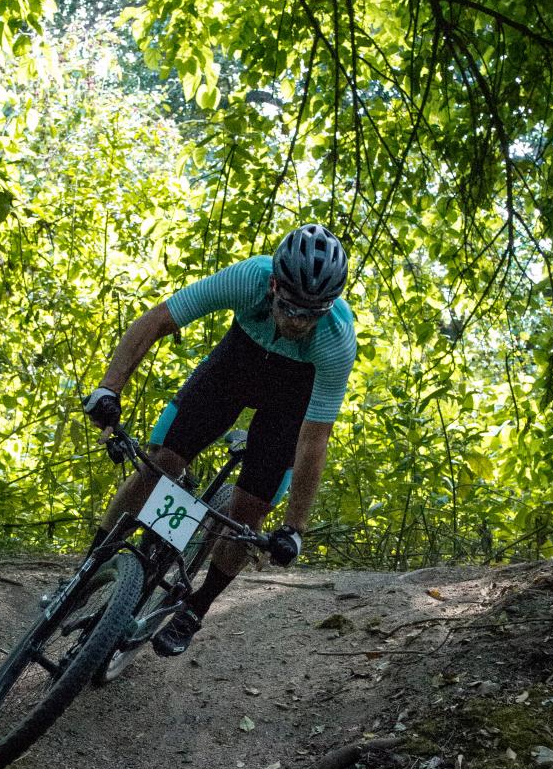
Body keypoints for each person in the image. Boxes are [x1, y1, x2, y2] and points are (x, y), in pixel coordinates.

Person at [81, 223, 357, 655]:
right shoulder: (248, 277)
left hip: (291, 398)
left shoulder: (336, 340)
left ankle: (196, 607)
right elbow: (157, 320)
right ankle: (90, 567)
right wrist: (108, 389)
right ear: (273, 285)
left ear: (328, 306)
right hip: (236, 366)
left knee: (248, 517)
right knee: (160, 466)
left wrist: (295, 528)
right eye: (290, 308)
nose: (298, 322)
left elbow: (314, 438)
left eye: (311, 313)